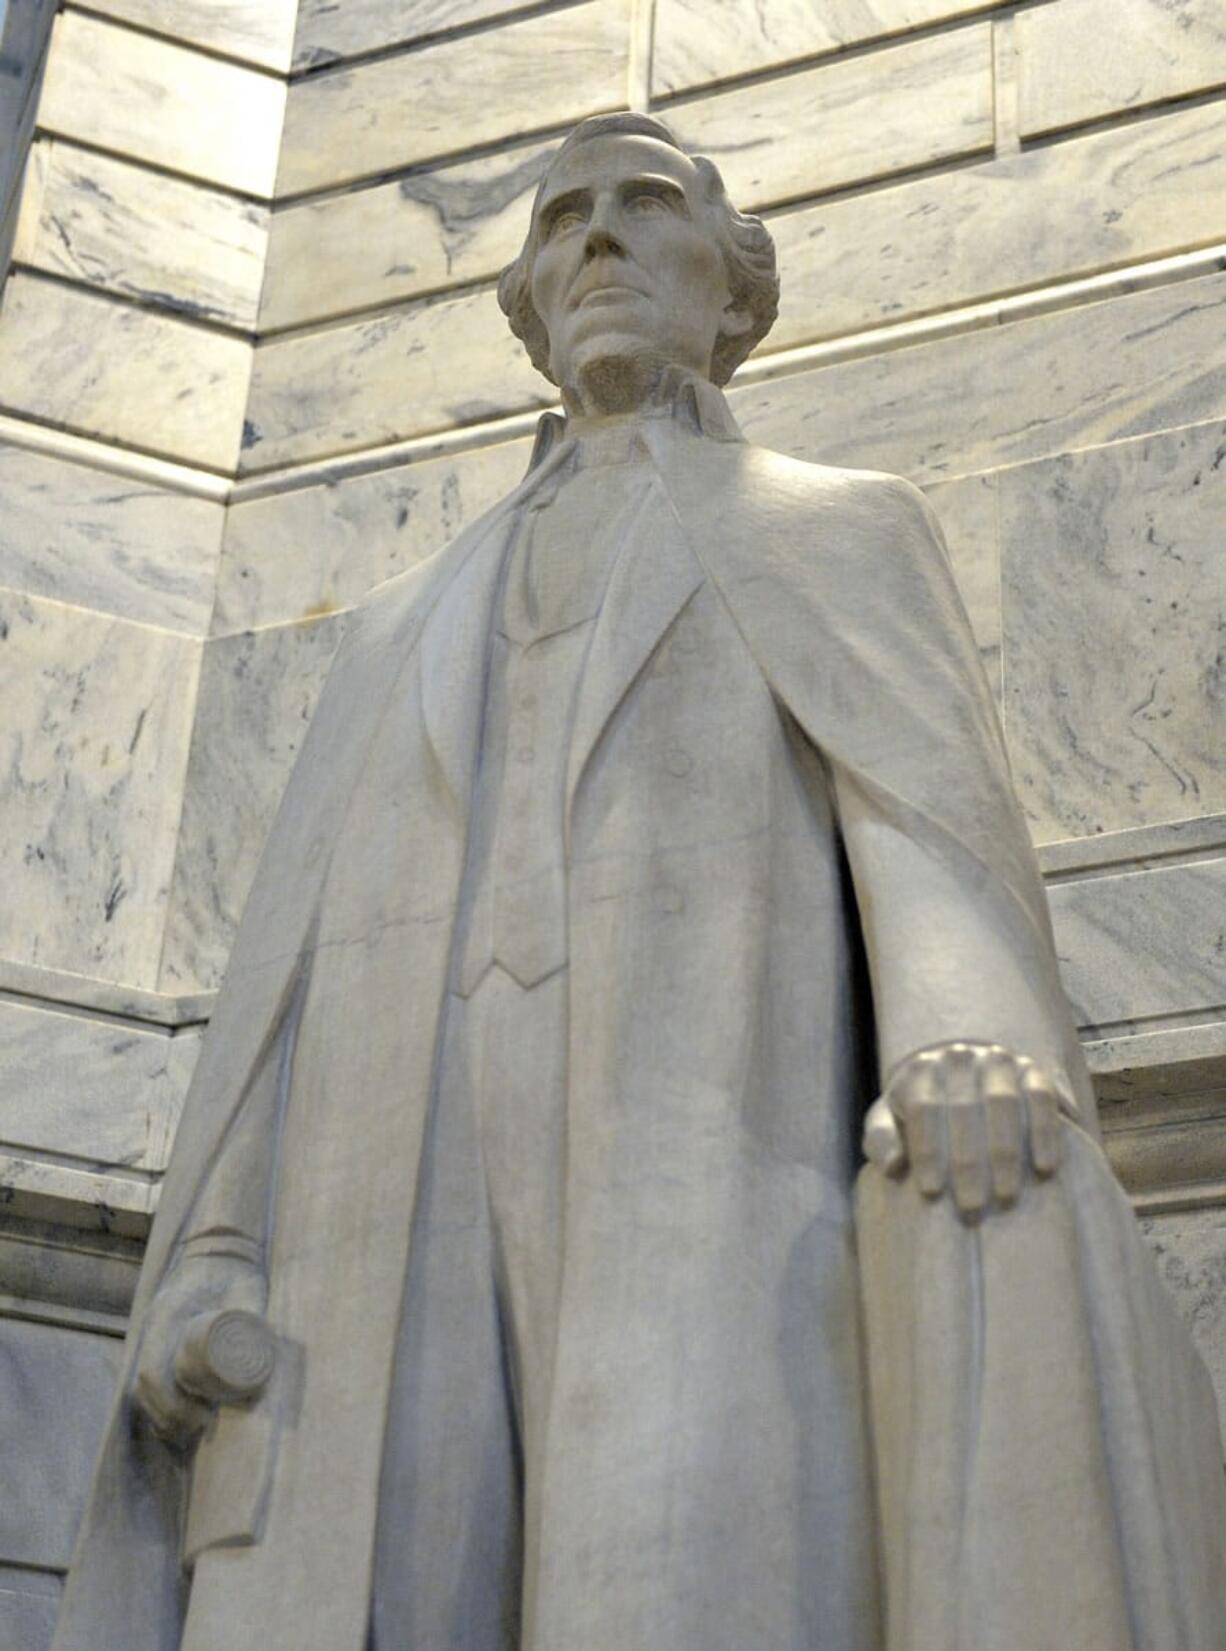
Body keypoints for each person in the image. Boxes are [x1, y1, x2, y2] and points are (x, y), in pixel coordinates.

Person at [54, 113, 1226, 1651]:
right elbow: (285, 974)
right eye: (558, 221)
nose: (593, 239)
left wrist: (959, 1033)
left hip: (706, 1147)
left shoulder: (835, 531)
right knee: (385, 1580)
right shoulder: (392, 627)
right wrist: (209, 1254)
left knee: (674, 1560)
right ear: (530, 306)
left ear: (734, 286)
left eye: (643, 204)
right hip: (384, 1187)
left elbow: (919, 815)